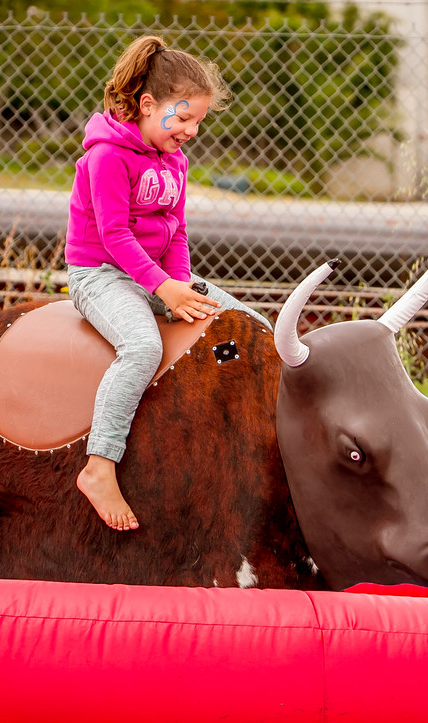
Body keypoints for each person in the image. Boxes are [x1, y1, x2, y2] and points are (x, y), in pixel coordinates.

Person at [65, 35, 271, 532]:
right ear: (147, 104)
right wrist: (165, 291)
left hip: (158, 275)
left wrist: (181, 287)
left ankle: (237, 428)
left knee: (248, 325)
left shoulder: (174, 160)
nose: (191, 130)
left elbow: (176, 231)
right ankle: (100, 465)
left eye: (198, 120)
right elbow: (113, 236)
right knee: (141, 348)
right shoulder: (107, 158)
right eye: (181, 118)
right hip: (101, 276)